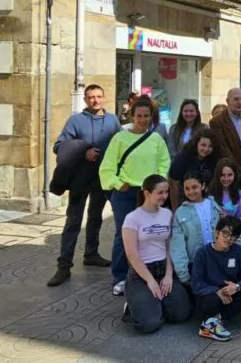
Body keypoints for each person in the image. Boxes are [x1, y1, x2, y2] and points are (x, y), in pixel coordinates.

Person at [47, 84, 120, 287]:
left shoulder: (113, 120)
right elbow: (59, 146)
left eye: (98, 96)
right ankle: (63, 265)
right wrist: (83, 151)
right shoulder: (75, 121)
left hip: (102, 179)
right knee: (73, 220)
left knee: (95, 217)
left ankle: (91, 253)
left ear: (104, 98)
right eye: (91, 97)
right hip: (80, 179)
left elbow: (120, 143)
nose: (95, 100)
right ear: (86, 100)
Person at [100, 96, 171, 296]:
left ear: (151, 117)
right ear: (132, 116)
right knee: (123, 234)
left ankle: (144, 273)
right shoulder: (120, 138)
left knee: (149, 233)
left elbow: (164, 163)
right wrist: (117, 184)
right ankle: (120, 276)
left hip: (148, 193)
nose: (142, 120)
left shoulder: (156, 139)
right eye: (139, 116)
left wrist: (158, 185)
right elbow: (107, 167)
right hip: (126, 191)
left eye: (146, 116)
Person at [121, 175, 191, 333]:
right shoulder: (132, 218)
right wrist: (151, 281)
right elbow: (132, 255)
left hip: (163, 268)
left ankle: (153, 303)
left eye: (166, 192)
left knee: (181, 314)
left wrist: (168, 274)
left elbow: (168, 246)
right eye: (160, 192)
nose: (164, 196)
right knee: (149, 324)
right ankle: (133, 306)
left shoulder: (167, 214)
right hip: (141, 273)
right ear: (146, 193)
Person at [190, 216, 241, 341]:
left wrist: (237, 287)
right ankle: (211, 320)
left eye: (233, 236)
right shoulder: (202, 253)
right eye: (225, 233)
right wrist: (217, 291)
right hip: (211, 295)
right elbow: (196, 284)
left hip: (231, 293)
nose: (229, 239)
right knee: (210, 301)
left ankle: (215, 320)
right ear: (217, 233)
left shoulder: (237, 251)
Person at [170, 172, 221, 286]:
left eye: (194, 187)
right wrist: (183, 274)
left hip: (217, 259)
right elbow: (177, 246)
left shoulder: (213, 205)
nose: (191, 191)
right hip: (195, 264)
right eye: (187, 188)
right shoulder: (180, 213)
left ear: (202, 186)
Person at [167, 128, 221, 209]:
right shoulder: (183, 157)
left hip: (205, 199)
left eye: (210, 146)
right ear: (196, 143)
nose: (206, 149)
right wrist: (175, 209)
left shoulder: (214, 158)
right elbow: (173, 184)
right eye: (203, 145)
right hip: (185, 199)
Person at [209, 88, 241, 168]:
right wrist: (236, 167)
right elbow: (222, 147)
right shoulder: (217, 121)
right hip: (229, 170)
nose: (240, 102)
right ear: (227, 101)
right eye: (236, 99)